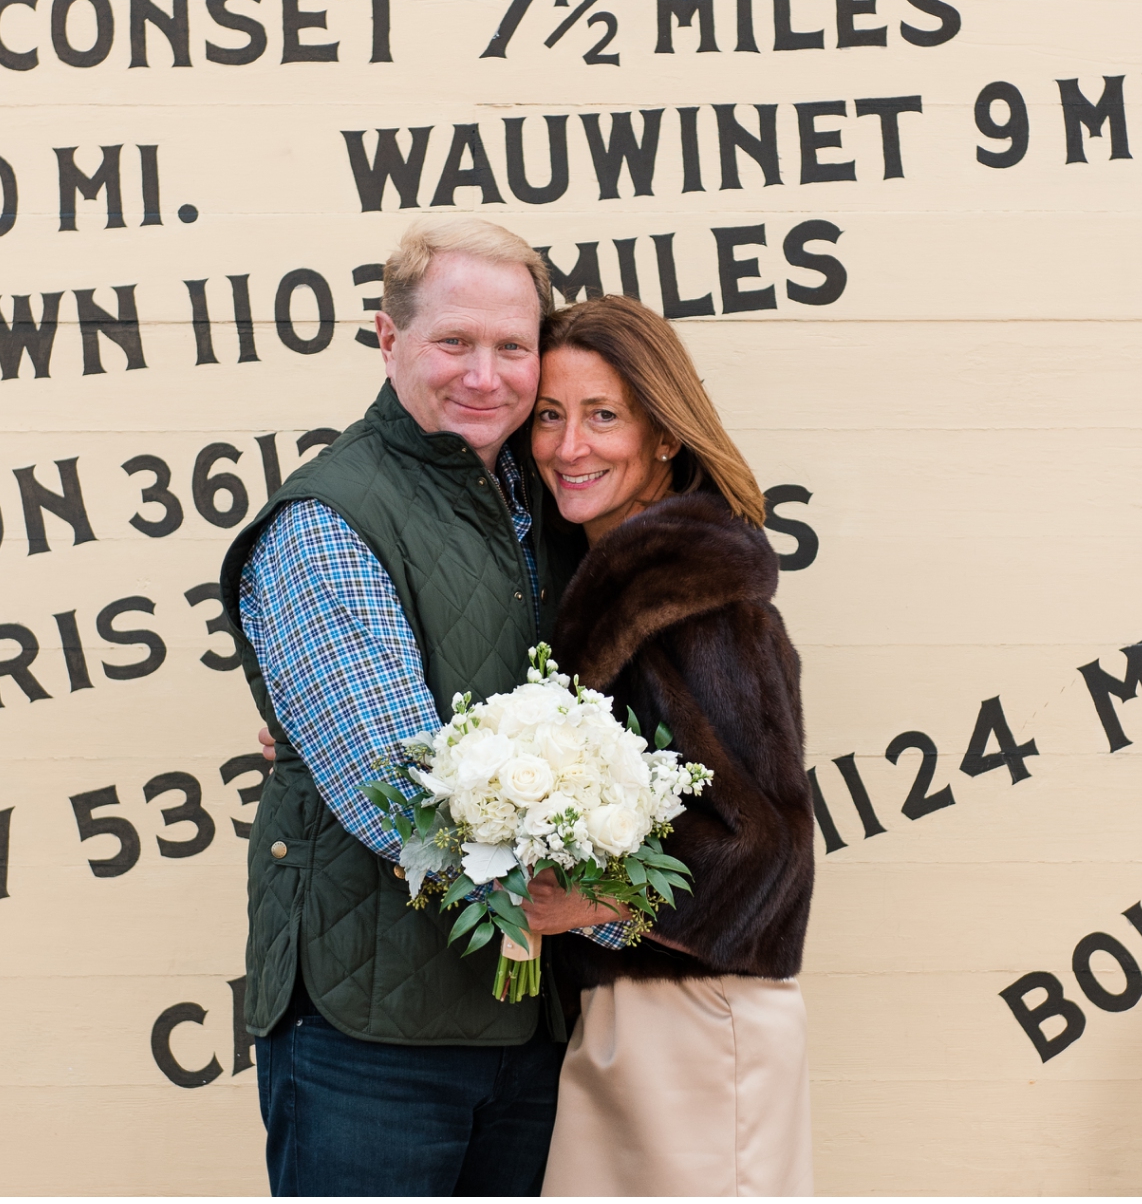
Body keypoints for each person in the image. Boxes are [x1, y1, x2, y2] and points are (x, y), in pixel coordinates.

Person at [218, 218, 630, 1197]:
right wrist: (625, 907)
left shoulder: (559, 500)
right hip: (375, 1043)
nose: (485, 376)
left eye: (512, 348)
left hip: (529, 1025)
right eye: (454, 343)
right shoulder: (329, 524)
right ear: (386, 338)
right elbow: (404, 808)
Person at [519, 294, 817, 1196]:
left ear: (664, 436)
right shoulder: (610, 585)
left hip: (695, 1019)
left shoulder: (692, 600)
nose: (570, 447)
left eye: (603, 415)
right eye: (549, 416)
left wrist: (587, 901)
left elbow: (762, 844)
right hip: (643, 1016)